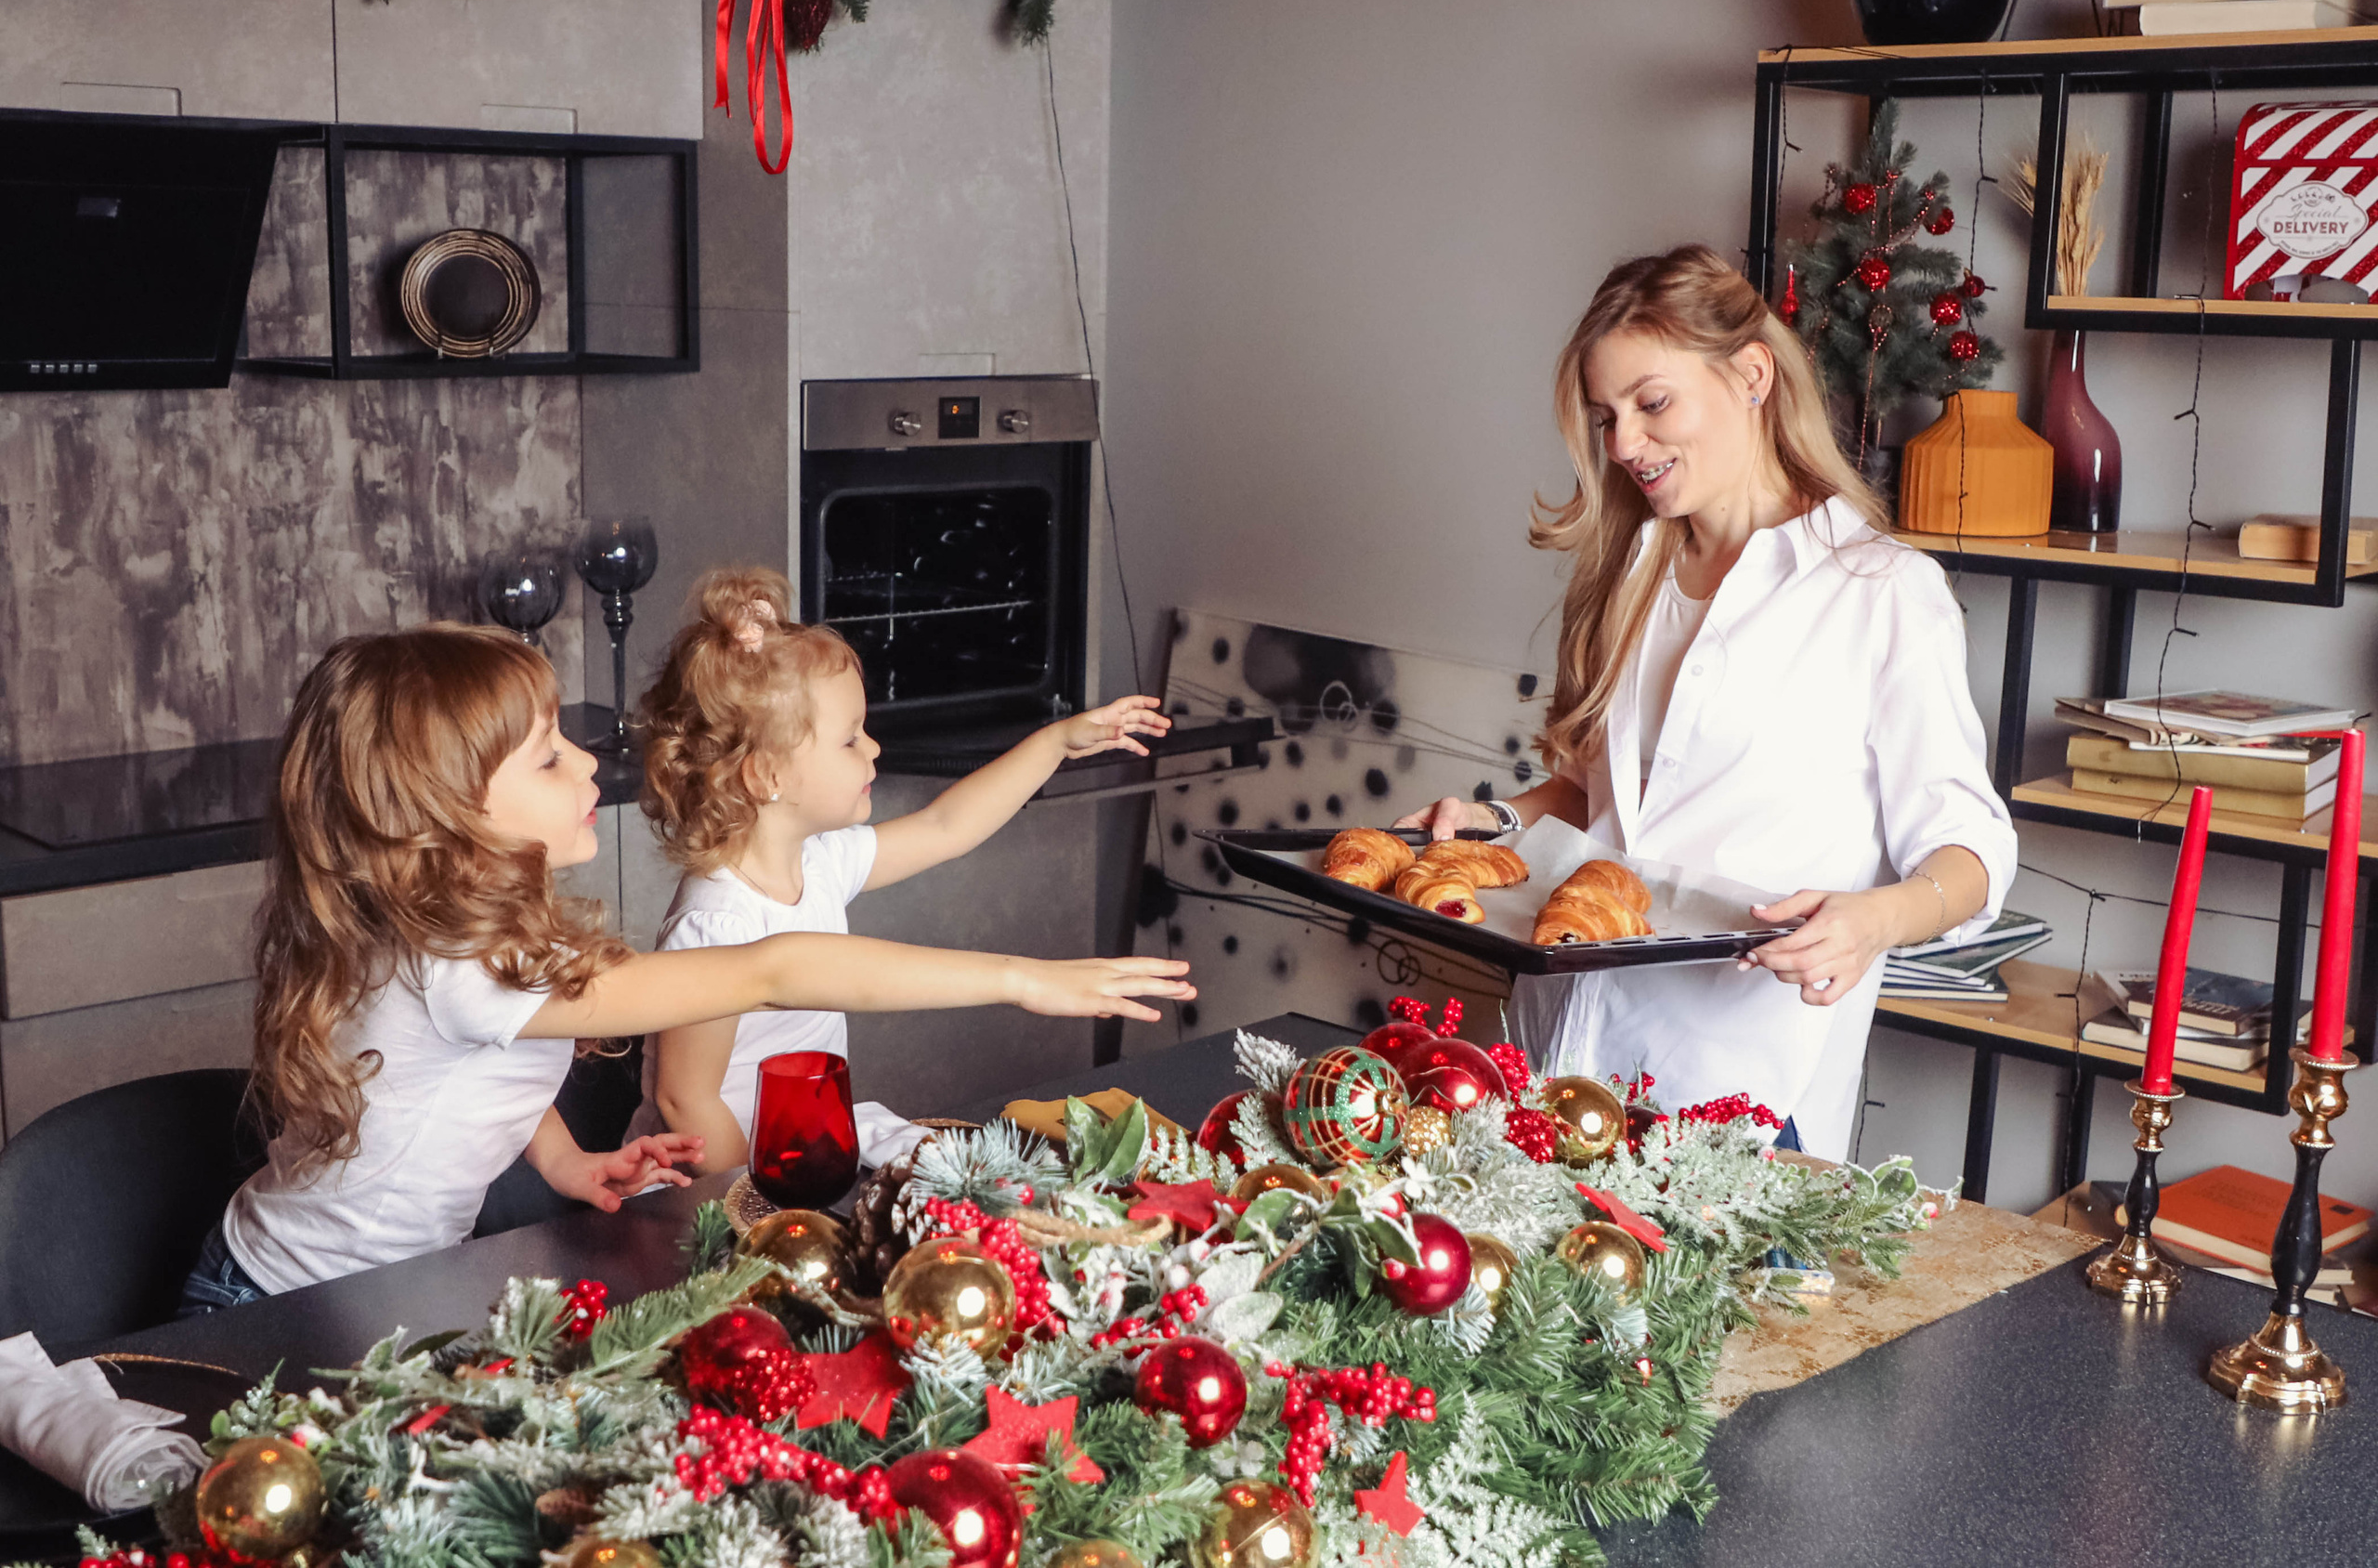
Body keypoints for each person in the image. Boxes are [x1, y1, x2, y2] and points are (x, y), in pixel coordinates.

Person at [181, 625, 1191, 1311]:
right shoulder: (463, 969)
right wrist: (1022, 977)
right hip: (284, 1303)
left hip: (389, 1282)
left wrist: (564, 1158)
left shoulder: (468, 937)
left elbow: (457, 1075)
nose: (587, 766)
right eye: (546, 758)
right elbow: (770, 970)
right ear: (445, 810)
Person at [1397, 244, 2015, 1159]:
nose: (1621, 446)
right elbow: (1593, 795)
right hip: (1557, 1056)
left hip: (1742, 1092)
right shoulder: (1628, 571)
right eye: (1606, 418)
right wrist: (1492, 822)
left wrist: (1871, 920)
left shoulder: (1881, 592)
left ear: (1751, 374)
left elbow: (1973, 849)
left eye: (1651, 404)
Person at [630, 568, 1172, 1174]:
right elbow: (685, 1097)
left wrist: (1055, 745)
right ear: (766, 776)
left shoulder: (817, 860)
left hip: (801, 1150)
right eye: (849, 739)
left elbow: (946, 827)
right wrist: (751, 1205)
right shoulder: (715, 919)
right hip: (709, 1185)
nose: (874, 749)